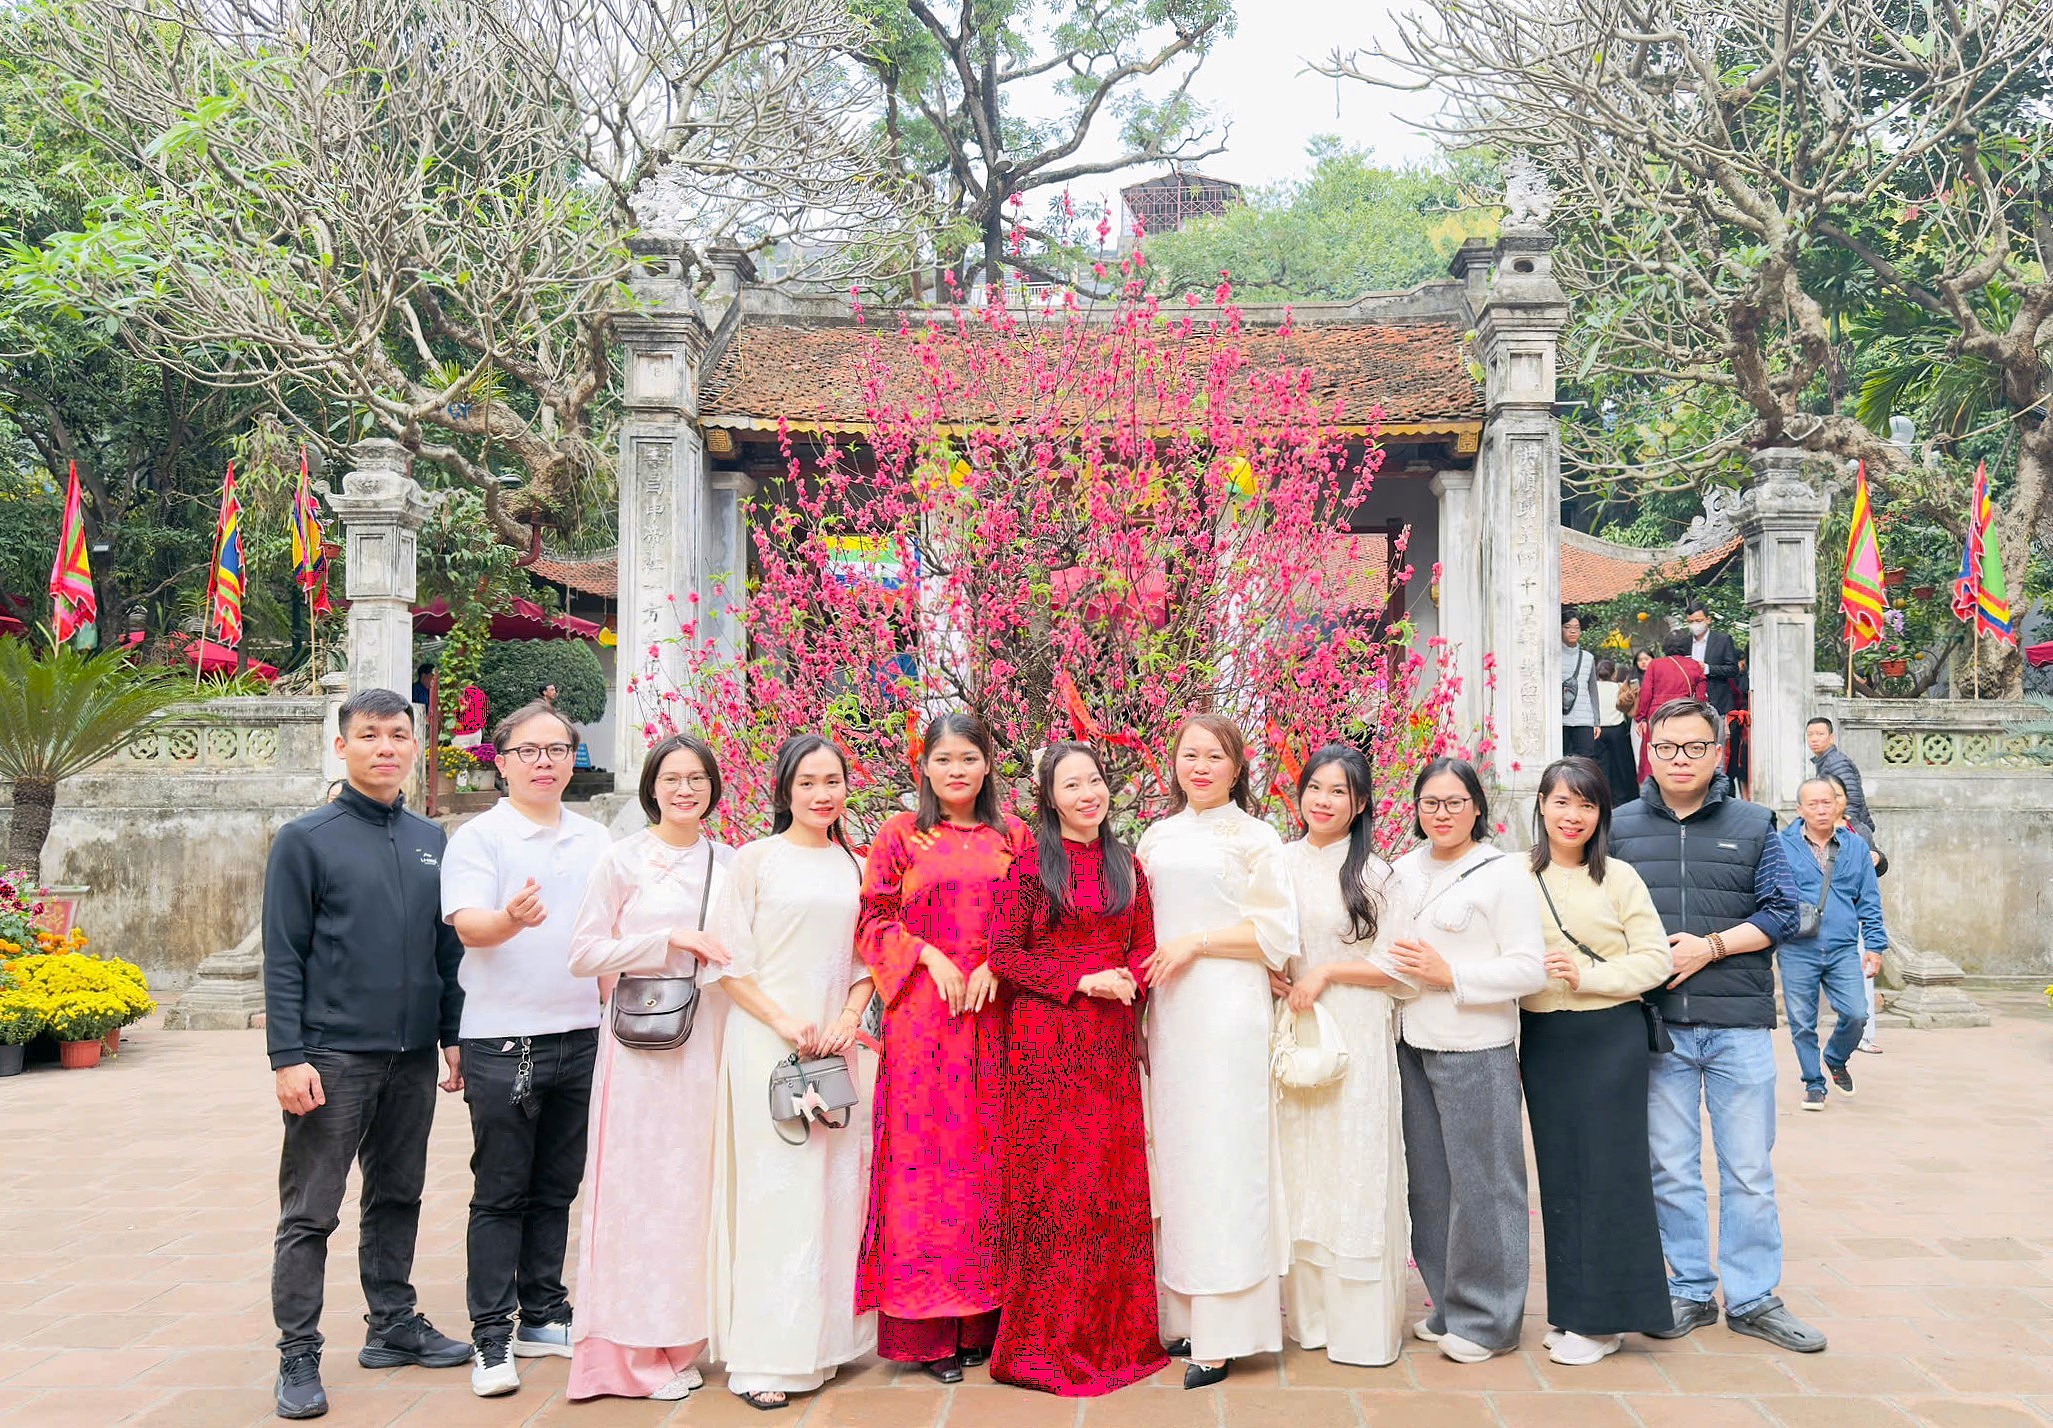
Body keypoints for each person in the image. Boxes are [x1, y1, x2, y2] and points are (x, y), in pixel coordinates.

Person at [263, 687, 470, 1421]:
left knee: (397, 1196)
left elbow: (447, 950)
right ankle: (297, 1354)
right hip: (332, 1059)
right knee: (311, 1211)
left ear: (415, 745)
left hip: (410, 1058)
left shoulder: (430, 838)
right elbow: (283, 955)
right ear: (342, 746)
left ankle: (392, 1325)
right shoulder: (306, 839)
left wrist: (451, 1035)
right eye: (370, 734)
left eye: (398, 735)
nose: (386, 747)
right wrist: (287, 1057)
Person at [1610, 698, 1820, 1353]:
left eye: (1695, 747)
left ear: (1718, 752)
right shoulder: (1617, 828)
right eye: (1667, 747)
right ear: (1648, 750)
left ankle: (1753, 1296)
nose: (1681, 759)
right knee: (1670, 1167)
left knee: (1748, 1170)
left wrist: (1711, 946)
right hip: (1657, 1027)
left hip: (1737, 1025)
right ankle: (1689, 1288)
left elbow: (1783, 912)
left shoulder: (1754, 824)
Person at [985, 742, 1167, 1395]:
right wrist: (1083, 980)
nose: (1087, 794)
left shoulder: (1128, 865)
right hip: (1046, 1043)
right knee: (1057, 1187)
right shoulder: (1032, 865)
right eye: (1071, 785)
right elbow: (1004, 954)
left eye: (1094, 781)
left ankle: (1115, 1336)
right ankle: (1047, 1340)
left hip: (1110, 1044)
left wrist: (1132, 983)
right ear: (1049, 797)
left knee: (1110, 1186)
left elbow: (1143, 948)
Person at [439, 701, 610, 1396]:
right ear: (502, 762)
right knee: (501, 1189)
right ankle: (491, 1334)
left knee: (558, 1185)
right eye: (529, 751)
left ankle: (543, 1311)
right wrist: (510, 919)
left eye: (558, 750)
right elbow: (468, 927)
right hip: (503, 1039)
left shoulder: (596, 838)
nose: (544, 762)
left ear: (574, 760)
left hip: (582, 1031)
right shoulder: (480, 838)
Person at [704, 735, 878, 1411]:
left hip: (834, 1045)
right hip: (766, 1044)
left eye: (832, 781)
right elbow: (727, 963)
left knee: (834, 1189)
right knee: (775, 1190)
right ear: (784, 790)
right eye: (807, 782)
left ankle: (824, 1344)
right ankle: (764, 1356)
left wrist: (848, 1016)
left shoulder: (856, 865)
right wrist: (783, 1021)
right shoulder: (755, 861)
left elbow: (867, 961)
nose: (821, 794)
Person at [560, 734, 735, 1403]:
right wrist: (666, 940)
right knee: (638, 1194)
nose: (684, 790)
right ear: (651, 787)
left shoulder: (729, 862)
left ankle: (683, 1337)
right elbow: (583, 953)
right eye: (671, 778)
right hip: (640, 1054)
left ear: (713, 788)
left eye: (697, 779)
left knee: (694, 1191)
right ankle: (629, 1354)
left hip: (708, 1043)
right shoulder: (622, 859)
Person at [855, 712, 1022, 1380]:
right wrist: (927, 955)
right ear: (923, 766)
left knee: (989, 1165)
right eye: (944, 759)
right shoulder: (900, 836)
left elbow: (1032, 919)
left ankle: (983, 1320)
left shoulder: (1012, 837)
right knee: (924, 1171)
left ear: (987, 765)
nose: (957, 771)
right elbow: (872, 920)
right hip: (922, 1025)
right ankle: (925, 1333)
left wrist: (998, 962)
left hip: (994, 1019)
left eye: (969, 758)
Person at [1136, 714, 1298, 1388]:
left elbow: (1275, 934)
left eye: (1214, 756)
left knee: (1227, 1161)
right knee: (1179, 1159)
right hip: (1171, 1015)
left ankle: (1227, 1331)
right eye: (1189, 755)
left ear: (1237, 766)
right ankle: (1182, 1315)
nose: (1199, 767)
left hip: (1229, 1012)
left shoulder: (1257, 837)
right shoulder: (1155, 836)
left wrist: (1195, 943)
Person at [1384, 757, 1547, 1365]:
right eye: (1430, 802)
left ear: (1477, 807)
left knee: (1486, 1185)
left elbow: (1529, 967)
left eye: (1455, 802)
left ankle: (1490, 1320)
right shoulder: (1402, 870)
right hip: (1409, 1043)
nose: (1442, 813)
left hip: (1475, 1047)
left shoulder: (1504, 873)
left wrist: (1451, 974)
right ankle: (1450, 1304)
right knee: (1430, 1185)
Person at [1520, 757, 1674, 1366]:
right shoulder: (1514, 875)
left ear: (1601, 813)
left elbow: (1656, 959)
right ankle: (1572, 1312)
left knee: (1609, 1176)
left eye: (1586, 805)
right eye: (1561, 802)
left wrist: (1589, 977)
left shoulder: (1619, 878)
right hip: (1542, 1039)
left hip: (1609, 1037)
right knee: (1560, 1177)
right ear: (1541, 804)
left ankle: (1606, 1322)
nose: (1573, 816)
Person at [1274, 744, 1408, 1368]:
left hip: (1355, 1022)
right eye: (1315, 788)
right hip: (1296, 1023)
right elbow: (1265, 942)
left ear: (1360, 805)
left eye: (1339, 792)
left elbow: (1398, 965)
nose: (1323, 801)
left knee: (1355, 1160)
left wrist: (1326, 972)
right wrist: (1273, 975)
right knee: (1302, 1162)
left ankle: (1361, 1330)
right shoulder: (1279, 864)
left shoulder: (1376, 873)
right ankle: (1311, 1321)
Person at [1776, 778, 1887, 1111]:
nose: (1821, 809)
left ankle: (1836, 1056)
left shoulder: (1855, 847)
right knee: (1802, 1022)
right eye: (1813, 804)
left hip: (1842, 947)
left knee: (1856, 1013)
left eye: (1827, 802)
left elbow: (1870, 898)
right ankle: (1813, 1083)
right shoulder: (1781, 845)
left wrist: (1875, 945)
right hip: (1797, 947)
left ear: (1838, 805)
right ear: (1800, 809)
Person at [1635, 632, 1708, 780]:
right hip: (1684, 712)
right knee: (1682, 748)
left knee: (1656, 749)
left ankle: (1652, 784)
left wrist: (1641, 717)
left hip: (1657, 713)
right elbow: (1701, 697)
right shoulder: (1695, 665)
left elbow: (1646, 692)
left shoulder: (1655, 664)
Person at [1807, 717, 1875, 843]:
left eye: (1820, 734)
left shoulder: (1836, 763)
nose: (1814, 739)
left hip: (1850, 830)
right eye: (1810, 735)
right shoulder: (1826, 762)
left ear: (1831, 738)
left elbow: (1851, 800)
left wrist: (1843, 830)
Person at [1592, 658, 1640, 806]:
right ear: (1614, 673)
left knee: (1601, 767)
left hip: (1598, 730)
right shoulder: (1619, 687)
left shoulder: (1593, 688)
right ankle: (1621, 799)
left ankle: (1603, 799)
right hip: (1617, 730)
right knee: (1620, 767)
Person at [1686, 602, 1742, 716]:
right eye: (1690, 622)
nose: (1694, 625)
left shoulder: (1723, 640)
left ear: (1708, 620)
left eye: (1698, 621)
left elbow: (1733, 669)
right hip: (1691, 702)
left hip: (1718, 701)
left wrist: (1707, 668)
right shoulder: (1684, 642)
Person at [1561, 612, 1601, 758]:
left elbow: (1593, 691)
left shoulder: (1588, 658)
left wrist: (1596, 722)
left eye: (1576, 628)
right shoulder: (1553, 656)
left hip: (1584, 720)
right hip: (1561, 720)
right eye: (1567, 627)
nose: (1573, 631)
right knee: (1561, 761)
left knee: (1585, 761)